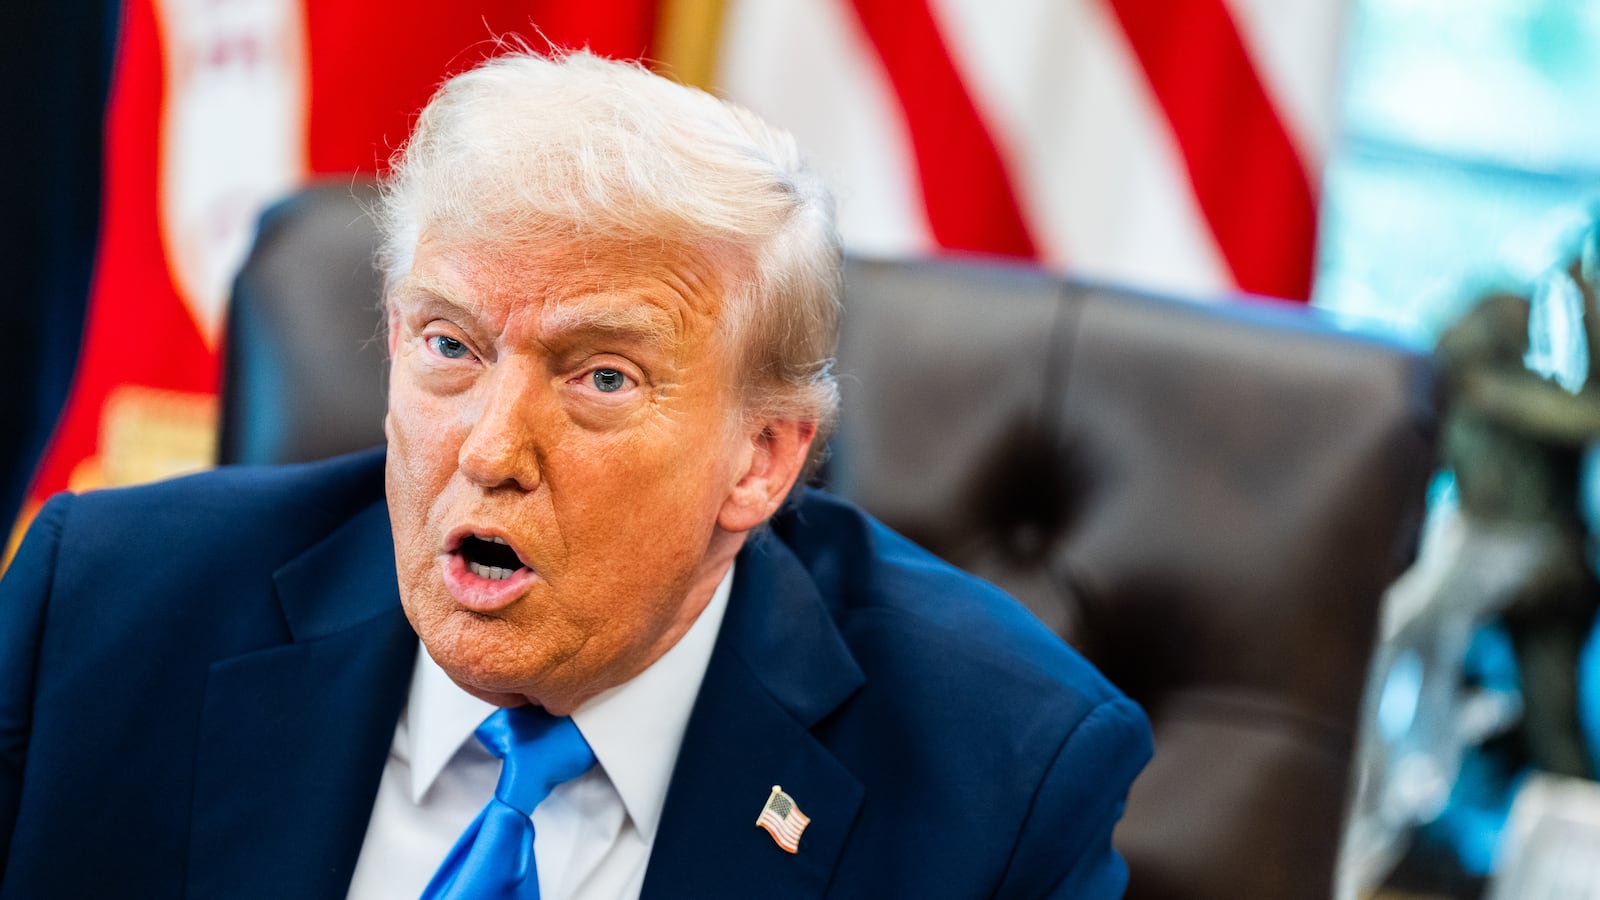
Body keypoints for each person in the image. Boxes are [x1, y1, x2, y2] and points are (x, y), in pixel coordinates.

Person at [0, 50, 1151, 899]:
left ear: (761, 459)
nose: (493, 451)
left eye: (600, 377)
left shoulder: (1001, 778)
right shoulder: (99, 612)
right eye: (451, 346)